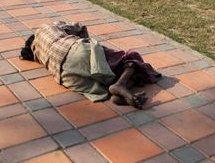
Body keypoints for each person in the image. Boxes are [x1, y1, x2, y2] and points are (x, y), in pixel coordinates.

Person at [20, 20, 161, 109]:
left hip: (67, 76)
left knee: (104, 75)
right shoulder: (45, 28)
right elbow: (80, 28)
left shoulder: (40, 55)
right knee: (129, 58)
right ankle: (121, 85)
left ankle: (120, 92)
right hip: (77, 50)